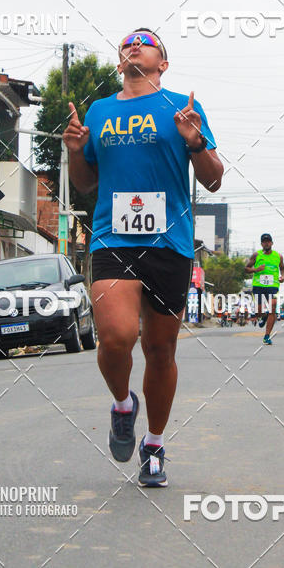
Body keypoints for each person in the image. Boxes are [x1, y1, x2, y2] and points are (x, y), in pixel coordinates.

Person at [63, 28, 223, 487]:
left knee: (159, 349)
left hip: (169, 243)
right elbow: (86, 184)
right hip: (114, 239)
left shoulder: (181, 108)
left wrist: (195, 141)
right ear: (120, 60)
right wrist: (76, 152)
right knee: (114, 336)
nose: (134, 44)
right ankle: (122, 404)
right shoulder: (100, 111)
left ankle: (153, 445)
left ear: (163, 63)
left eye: (146, 41)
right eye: (128, 41)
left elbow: (213, 180)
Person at [244, 234, 284, 345]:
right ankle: (264, 316)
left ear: (272, 243)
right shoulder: (256, 255)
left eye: (268, 241)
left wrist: (283, 276)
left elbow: (282, 268)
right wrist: (256, 269)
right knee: (258, 311)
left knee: (273, 306)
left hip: (273, 286)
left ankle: (267, 336)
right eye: (264, 241)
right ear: (261, 244)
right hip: (259, 286)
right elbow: (246, 268)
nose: (266, 243)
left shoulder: (278, 256)